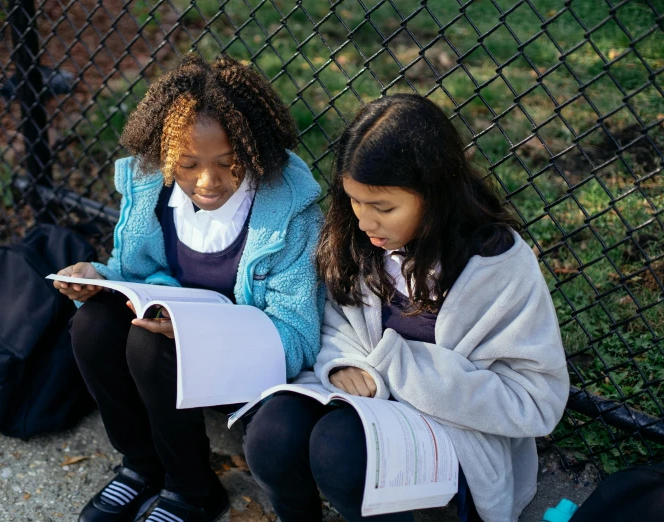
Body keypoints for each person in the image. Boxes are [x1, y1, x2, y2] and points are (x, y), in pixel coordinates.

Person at [243, 94, 570, 522]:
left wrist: (396, 366)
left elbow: (535, 399)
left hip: (457, 433)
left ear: (435, 195)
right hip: (369, 407)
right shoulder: (361, 242)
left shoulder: (497, 265)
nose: (364, 221)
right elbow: (337, 325)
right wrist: (341, 363)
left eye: (383, 207)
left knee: (339, 448)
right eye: (355, 202)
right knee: (272, 432)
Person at [53, 54, 324, 522]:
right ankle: (141, 467)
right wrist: (98, 278)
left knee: (148, 344)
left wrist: (203, 335)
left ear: (254, 148)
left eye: (227, 163)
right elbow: (132, 275)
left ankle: (191, 489)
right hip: (173, 348)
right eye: (188, 164)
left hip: (247, 369)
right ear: (164, 154)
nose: (207, 181)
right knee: (93, 323)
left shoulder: (291, 211)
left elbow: (298, 338)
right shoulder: (150, 188)